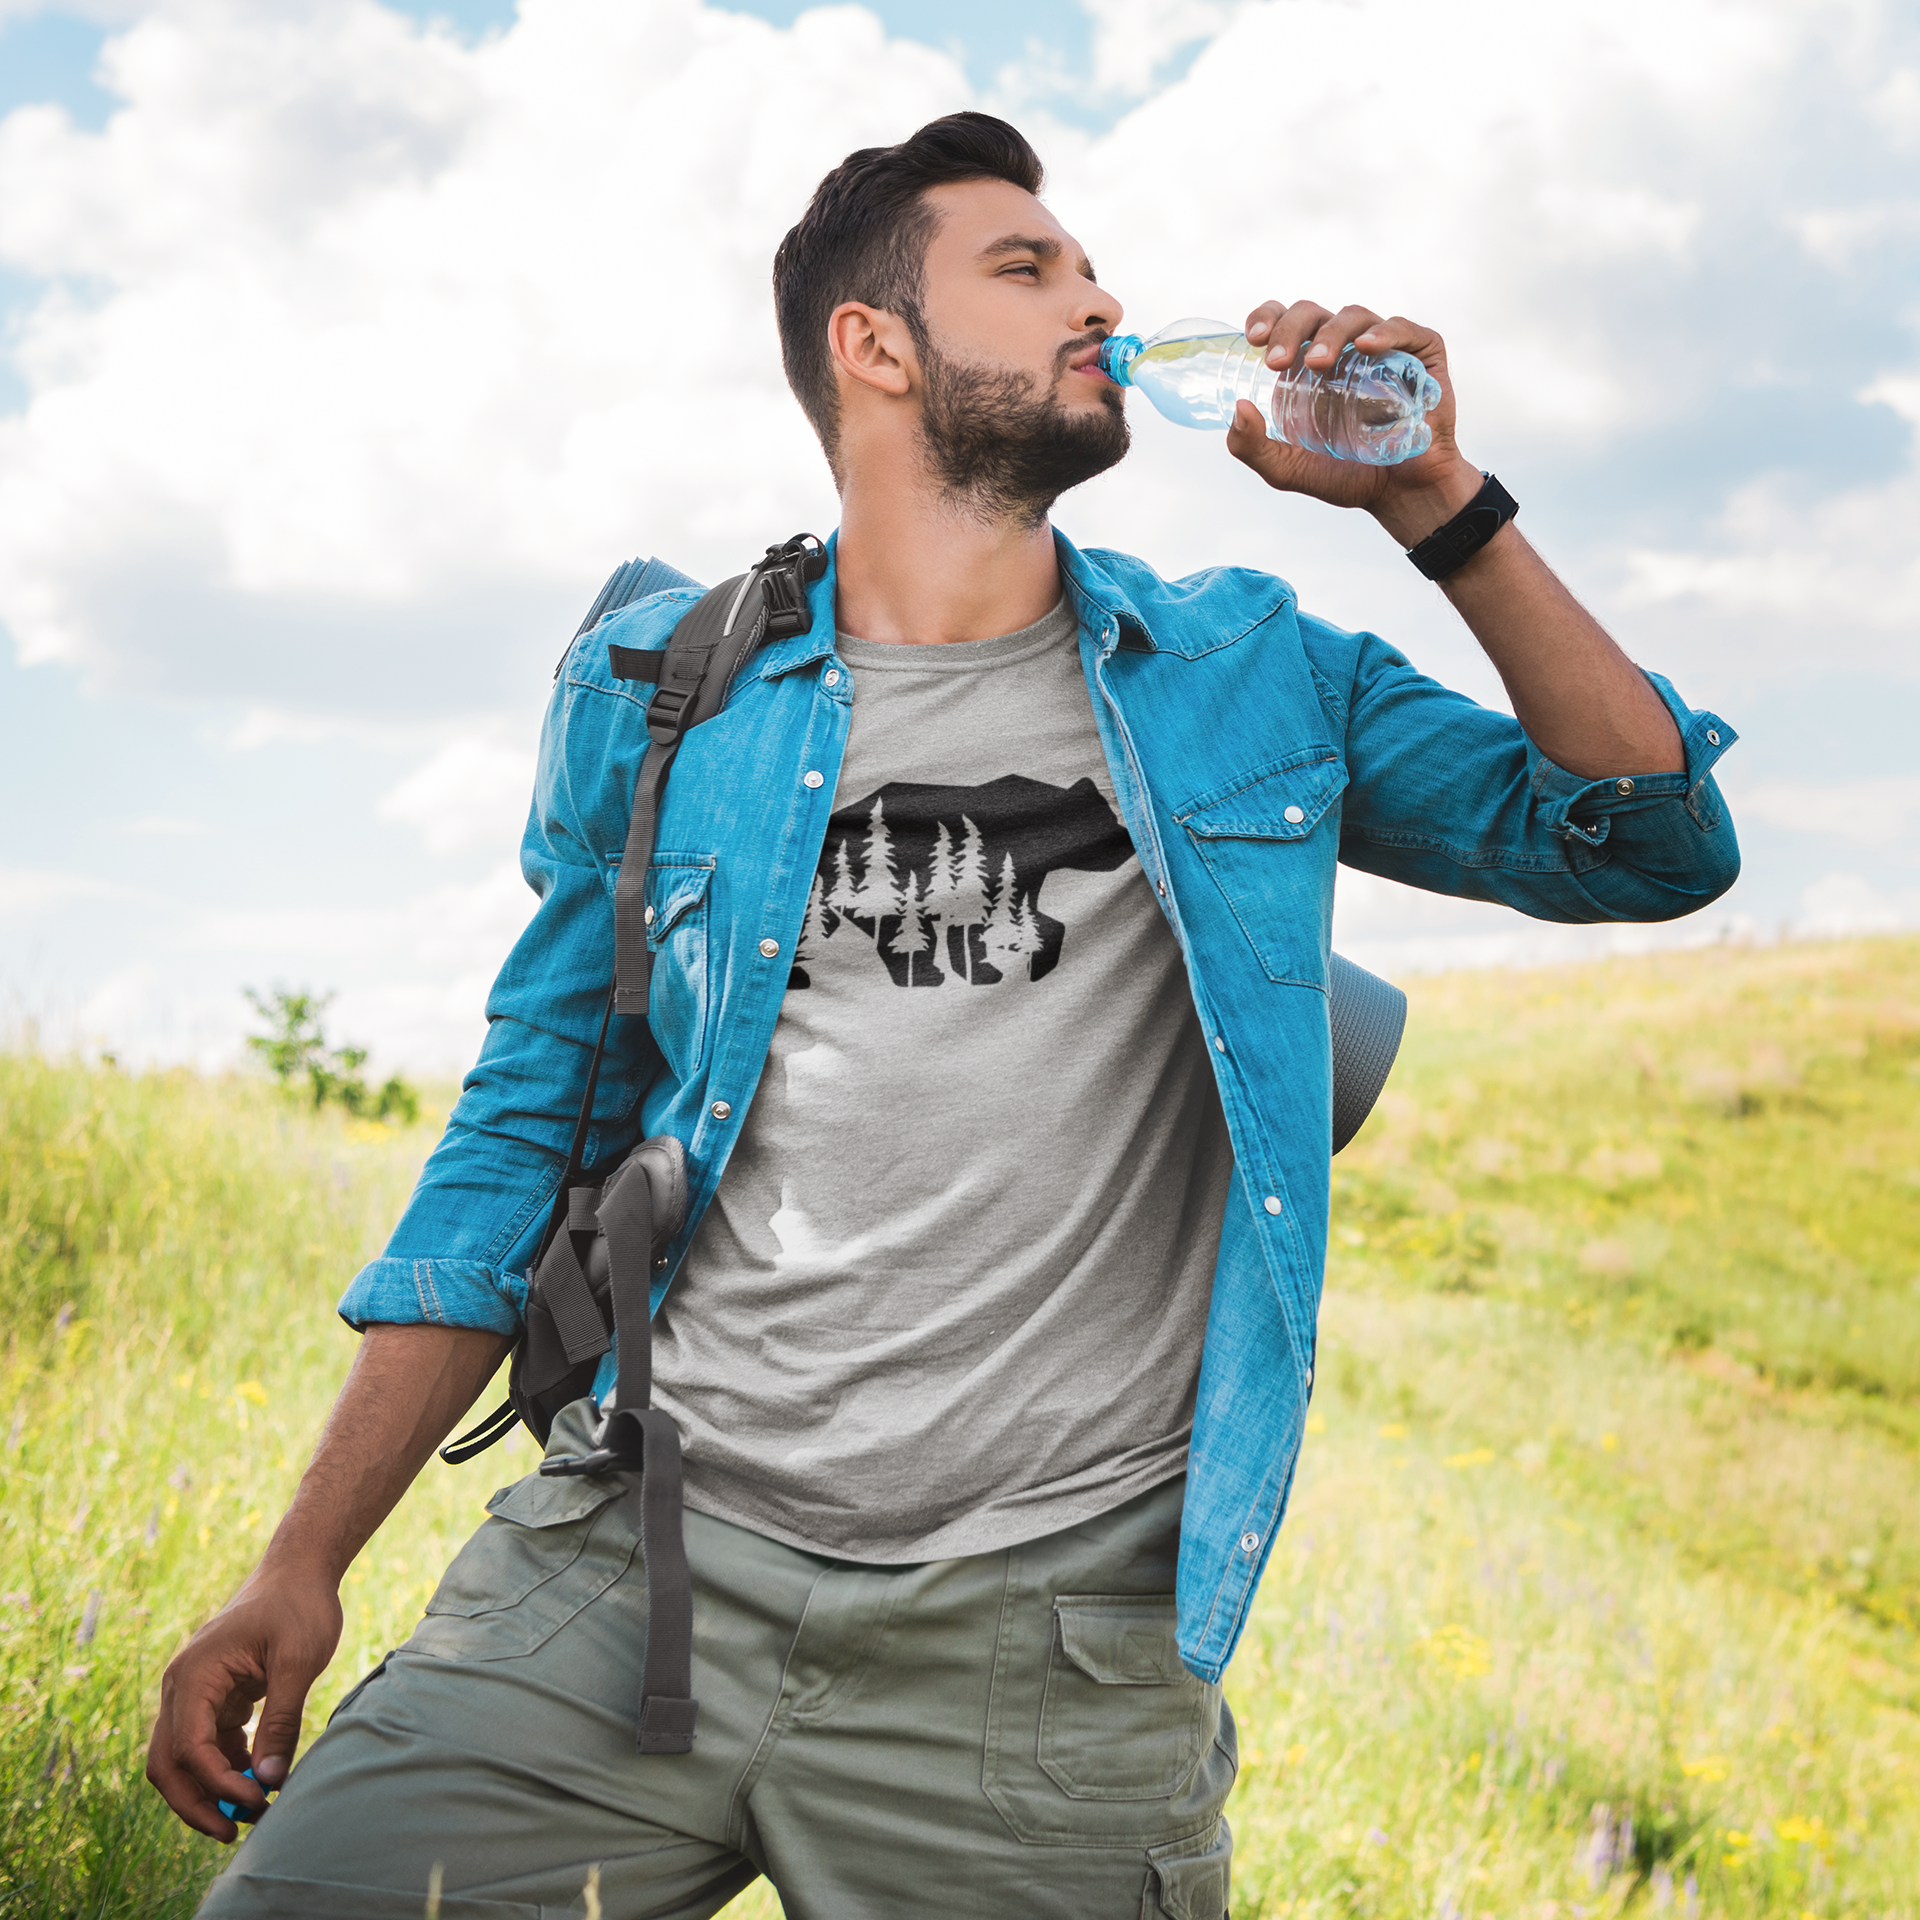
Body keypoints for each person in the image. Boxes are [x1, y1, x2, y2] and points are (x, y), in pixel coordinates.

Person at [150, 112, 1739, 1918]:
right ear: (873, 345)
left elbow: (1649, 839)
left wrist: (1436, 501)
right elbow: (527, 1127)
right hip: (630, 1565)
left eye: (1086, 265)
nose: (1101, 295)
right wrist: (303, 1561)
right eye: (1028, 266)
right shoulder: (665, 691)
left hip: (1039, 1652)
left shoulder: (1247, 672)